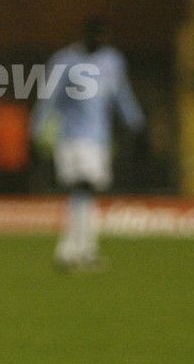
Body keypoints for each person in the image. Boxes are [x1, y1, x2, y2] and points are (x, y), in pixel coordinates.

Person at [30, 16, 145, 270]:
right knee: (82, 188)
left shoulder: (113, 61)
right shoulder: (65, 61)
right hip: (71, 138)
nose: (100, 41)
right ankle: (70, 250)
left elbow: (121, 94)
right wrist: (37, 132)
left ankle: (83, 251)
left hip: (100, 139)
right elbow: (48, 99)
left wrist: (136, 123)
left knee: (86, 193)